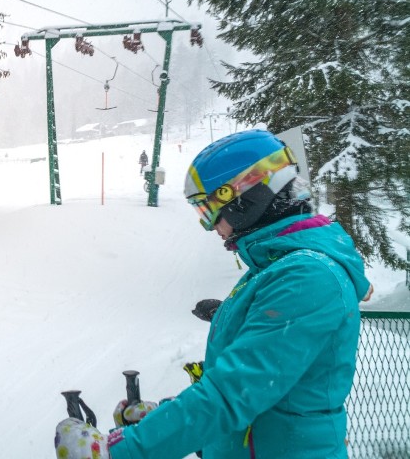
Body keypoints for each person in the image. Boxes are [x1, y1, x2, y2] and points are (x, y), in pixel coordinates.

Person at [107, 129, 372, 459]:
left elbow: (233, 395)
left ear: (244, 201)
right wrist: (161, 420)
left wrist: (118, 451)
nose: (212, 227)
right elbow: (255, 394)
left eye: (208, 212)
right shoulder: (275, 268)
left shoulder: (306, 277)